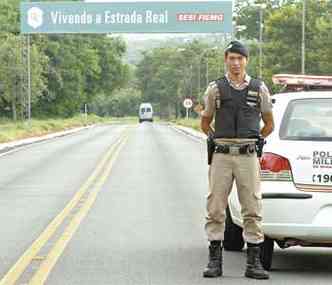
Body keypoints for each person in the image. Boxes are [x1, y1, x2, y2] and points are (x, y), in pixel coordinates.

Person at [200, 40, 275, 280]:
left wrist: (255, 140)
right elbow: (205, 122)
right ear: (226, 60)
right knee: (215, 207)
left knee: (252, 207)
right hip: (222, 155)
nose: (235, 63)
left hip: (248, 156)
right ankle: (215, 261)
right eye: (231, 58)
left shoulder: (259, 88)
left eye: (239, 58)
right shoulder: (215, 89)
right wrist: (217, 140)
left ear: (246, 60)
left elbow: (269, 123)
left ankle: (253, 263)